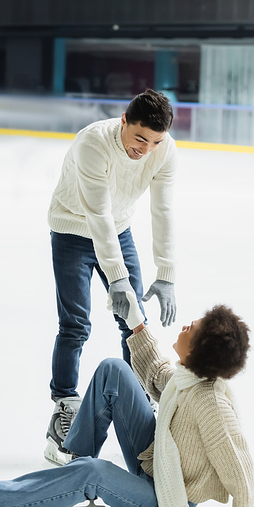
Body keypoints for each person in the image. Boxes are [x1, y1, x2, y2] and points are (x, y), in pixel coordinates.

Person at [0, 302, 254, 507]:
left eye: (191, 329)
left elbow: (237, 462)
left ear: (198, 351)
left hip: (164, 503)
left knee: (95, 472)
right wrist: (135, 320)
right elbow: (154, 370)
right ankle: (73, 474)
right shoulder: (187, 380)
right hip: (157, 466)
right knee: (114, 370)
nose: (185, 326)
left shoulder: (212, 405)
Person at [45, 89, 177, 466]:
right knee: (75, 325)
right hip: (72, 231)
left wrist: (166, 273)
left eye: (155, 141)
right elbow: (96, 213)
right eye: (140, 138)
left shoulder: (164, 150)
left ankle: (135, 397)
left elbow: (163, 208)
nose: (146, 149)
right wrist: (116, 277)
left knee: (134, 324)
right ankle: (66, 403)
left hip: (118, 232)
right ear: (124, 120)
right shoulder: (93, 143)